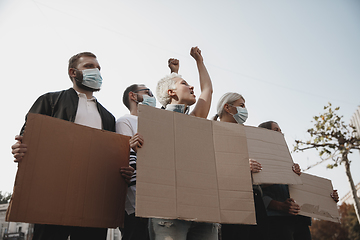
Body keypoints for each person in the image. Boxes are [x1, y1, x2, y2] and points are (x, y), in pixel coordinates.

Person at [11, 52, 135, 240]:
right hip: (50, 197)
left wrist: (123, 171)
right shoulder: (50, 101)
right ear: (73, 72)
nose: (96, 71)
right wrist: (20, 149)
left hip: (93, 202)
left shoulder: (108, 117)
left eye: (98, 68)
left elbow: (112, 158)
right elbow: (27, 138)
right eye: (89, 66)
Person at [149, 46, 216, 240]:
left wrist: (199, 61)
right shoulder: (154, 122)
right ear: (170, 91)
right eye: (186, 83)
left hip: (202, 206)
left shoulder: (195, 119)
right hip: (167, 208)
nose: (192, 86)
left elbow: (207, 90)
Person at [259, 121, 339, 240]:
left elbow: (301, 192)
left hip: (300, 221)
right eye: (276, 130)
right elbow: (256, 191)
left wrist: (328, 198)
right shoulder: (257, 160)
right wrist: (280, 206)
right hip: (277, 222)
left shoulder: (287, 160)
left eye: (281, 131)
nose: (281, 134)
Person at [212, 92, 268, 240]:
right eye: (241, 105)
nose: (245, 110)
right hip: (229, 199)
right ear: (227, 108)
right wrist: (240, 166)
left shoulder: (249, 136)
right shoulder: (211, 132)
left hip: (255, 198)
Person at [116, 83, 156, 240]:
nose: (152, 97)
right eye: (147, 92)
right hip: (136, 203)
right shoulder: (125, 121)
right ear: (132, 96)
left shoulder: (155, 123)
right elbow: (126, 158)